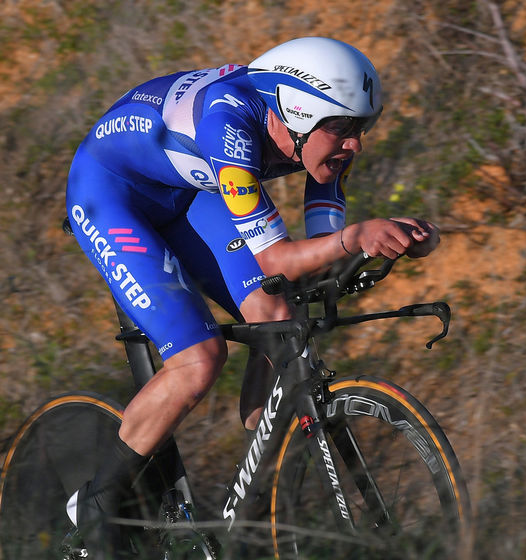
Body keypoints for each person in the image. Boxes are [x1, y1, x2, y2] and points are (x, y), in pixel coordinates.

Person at [64, 36, 439, 557]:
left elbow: (317, 251)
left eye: (361, 129)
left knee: (279, 315)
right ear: (299, 112)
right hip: (111, 192)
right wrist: (356, 237)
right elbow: (277, 258)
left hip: (190, 191)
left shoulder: (318, 137)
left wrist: (397, 240)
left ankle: (263, 458)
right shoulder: (230, 126)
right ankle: (98, 504)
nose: (354, 145)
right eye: (343, 128)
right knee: (198, 360)